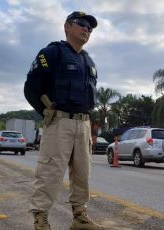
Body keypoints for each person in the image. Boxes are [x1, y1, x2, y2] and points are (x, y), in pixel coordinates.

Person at [24, 11, 103, 230]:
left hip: (83, 124)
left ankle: (80, 218)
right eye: (81, 24)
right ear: (67, 27)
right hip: (59, 122)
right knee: (50, 172)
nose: (86, 29)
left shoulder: (89, 61)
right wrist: (44, 109)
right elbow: (31, 86)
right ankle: (41, 220)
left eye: (90, 27)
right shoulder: (52, 53)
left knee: (82, 174)